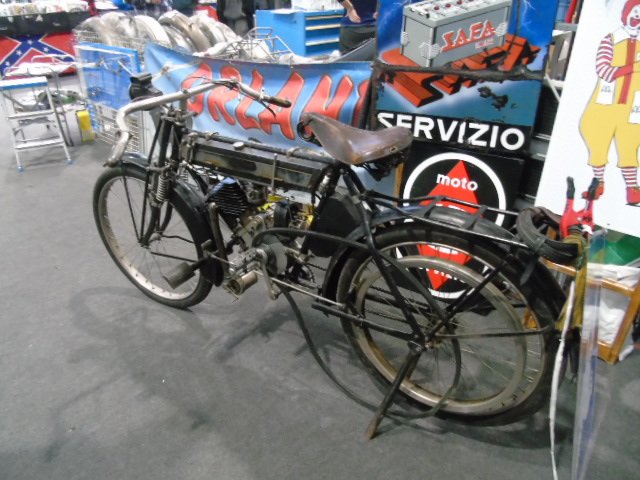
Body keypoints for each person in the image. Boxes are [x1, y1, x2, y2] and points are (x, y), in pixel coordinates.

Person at [579, 0, 640, 205]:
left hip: (633, 105)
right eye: (635, 11)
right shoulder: (611, 39)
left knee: (630, 144)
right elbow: (603, 69)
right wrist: (632, 68)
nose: (638, 16)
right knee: (596, 137)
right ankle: (598, 183)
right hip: (605, 103)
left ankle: (632, 189)